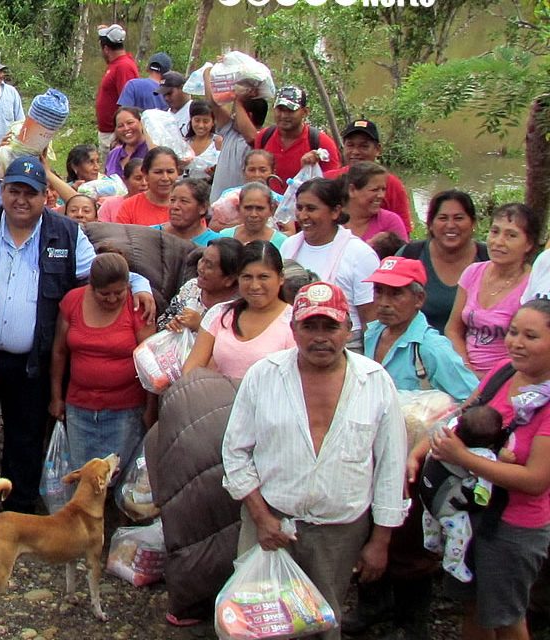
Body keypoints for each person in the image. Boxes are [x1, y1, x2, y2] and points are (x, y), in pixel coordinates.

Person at [0, 156, 156, 516]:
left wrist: (138, 283)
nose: (21, 200)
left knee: (26, 436)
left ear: (46, 196)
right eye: (14, 190)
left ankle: (18, 507)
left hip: (36, 358)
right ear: (1, 191)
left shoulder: (65, 232)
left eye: (30, 193)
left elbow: (99, 273)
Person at [222, 281, 408, 640]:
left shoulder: (375, 382)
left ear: (348, 330)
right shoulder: (264, 375)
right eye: (310, 326)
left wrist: (380, 540)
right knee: (258, 620)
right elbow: (235, 451)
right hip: (270, 521)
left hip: (339, 531)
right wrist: (261, 517)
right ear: (293, 330)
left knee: (322, 619)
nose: (320, 337)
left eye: (330, 327)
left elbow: (390, 466)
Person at [344, 256, 479, 637]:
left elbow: (470, 398)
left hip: (412, 462)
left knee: (408, 539)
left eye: (396, 294)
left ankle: (411, 620)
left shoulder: (431, 348)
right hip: (372, 453)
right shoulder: (370, 336)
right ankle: (374, 602)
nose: (385, 301)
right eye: (380, 292)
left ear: (418, 299)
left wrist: (434, 433)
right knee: (370, 525)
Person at [412, 299, 550, 640]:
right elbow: (463, 413)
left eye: (530, 336)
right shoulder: (505, 371)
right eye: (513, 332)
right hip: (473, 514)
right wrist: (419, 451)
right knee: (472, 606)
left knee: (506, 617)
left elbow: (535, 480)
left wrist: (463, 458)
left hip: (513, 527)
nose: (516, 342)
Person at [49, 250, 153, 471]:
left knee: (118, 474)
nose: (112, 299)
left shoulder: (138, 306)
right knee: (83, 474)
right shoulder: (73, 301)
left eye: (119, 293)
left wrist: (150, 408)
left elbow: (151, 362)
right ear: (91, 287)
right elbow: (59, 351)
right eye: (104, 294)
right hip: (80, 406)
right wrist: (56, 397)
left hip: (125, 408)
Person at [280, 178, 379, 349]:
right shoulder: (289, 246)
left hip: (344, 344)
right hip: (292, 338)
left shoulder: (360, 254)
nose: (303, 216)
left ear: (335, 212)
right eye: (300, 208)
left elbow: (370, 321)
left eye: (311, 209)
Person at [446, 203, 538, 378]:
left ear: (528, 244)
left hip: (507, 379)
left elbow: (530, 350)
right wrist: (466, 369)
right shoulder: (472, 272)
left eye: (511, 235)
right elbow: (453, 329)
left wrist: (490, 381)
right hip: (462, 372)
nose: (498, 242)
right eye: (495, 232)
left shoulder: (531, 287)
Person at [184, 241, 295, 380]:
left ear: (281, 278)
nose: (255, 286)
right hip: (215, 399)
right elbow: (191, 370)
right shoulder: (219, 314)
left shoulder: (294, 323)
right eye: (247, 277)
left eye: (263, 277)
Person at [397, 191, 487, 333]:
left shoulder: (489, 259)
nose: (450, 225)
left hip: (477, 352)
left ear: (473, 223)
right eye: (443, 218)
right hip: (417, 348)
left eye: (458, 218)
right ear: (431, 224)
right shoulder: (410, 255)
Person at [323, 119, 411, 231]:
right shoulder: (328, 179)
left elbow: (403, 233)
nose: (355, 152)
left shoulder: (392, 185)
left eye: (364, 146)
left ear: (378, 149)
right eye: (350, 145)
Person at [206, 65, 270, 200]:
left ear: (249, 116)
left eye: (236, 112)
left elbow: (252, 137)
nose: (233, 115)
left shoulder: (260, 142)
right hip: (216, 210)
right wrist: (208, 72)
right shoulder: (230, 131)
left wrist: (239, 100)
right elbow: (213, 103)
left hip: (239, 212)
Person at [253, 86, 341, 183]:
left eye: (291, 110)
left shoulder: (322, 143)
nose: (284, 115)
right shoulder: (264, 136)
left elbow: (333, 184)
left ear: (305, 112)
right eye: (280, 109)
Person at [158, 238, 241, 332]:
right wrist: (171, 324)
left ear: (229, 279)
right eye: (202, 260)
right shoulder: (191, 287)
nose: (201, 268)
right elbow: (162, 321)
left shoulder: (238, 308)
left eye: (209, 266)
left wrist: (200, 326)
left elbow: (232, 344)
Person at [99, 147, 178, 226]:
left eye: (170, 172)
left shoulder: (186, 206)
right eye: (158, 172)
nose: (165, 178)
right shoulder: (129, 207)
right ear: (145, 174)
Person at [94, 24, 139, 154]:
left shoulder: (123, 66)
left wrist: (120, 135)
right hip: (108, 132)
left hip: (114, 134)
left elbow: (128, 104)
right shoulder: (116, 64)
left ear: (106, 49)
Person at [342, 161, 408, 243]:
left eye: (383, 189)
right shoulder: (332, 220)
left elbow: (402, 254)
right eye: (375, 190)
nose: (381, 195)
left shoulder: (390, 222)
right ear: (352, 190)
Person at [219, 182, 286, 249]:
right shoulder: (224, 236)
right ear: (238, 208)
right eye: (248, 208)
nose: (253, 214)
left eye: (260, 208)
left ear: (271, 209)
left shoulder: (283, 243)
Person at [155, 177, 219, 246]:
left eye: (184, 201)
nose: (174, 206)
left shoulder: (216, 243)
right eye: (172, 200)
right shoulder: (150, 235)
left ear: (202, 208)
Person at [102, 106, 148, 179]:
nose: (126, 128)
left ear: (141, 123)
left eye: (130, 123)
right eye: (120, 126)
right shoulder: (113, 154)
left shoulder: (152, 152)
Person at [184, 100, 221, 178]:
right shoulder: (185, 143)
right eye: (197, 120)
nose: (201, 125)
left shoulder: (217, 142)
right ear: (191, 120)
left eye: (206, 121)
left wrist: (213, 174)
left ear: (213, 122)